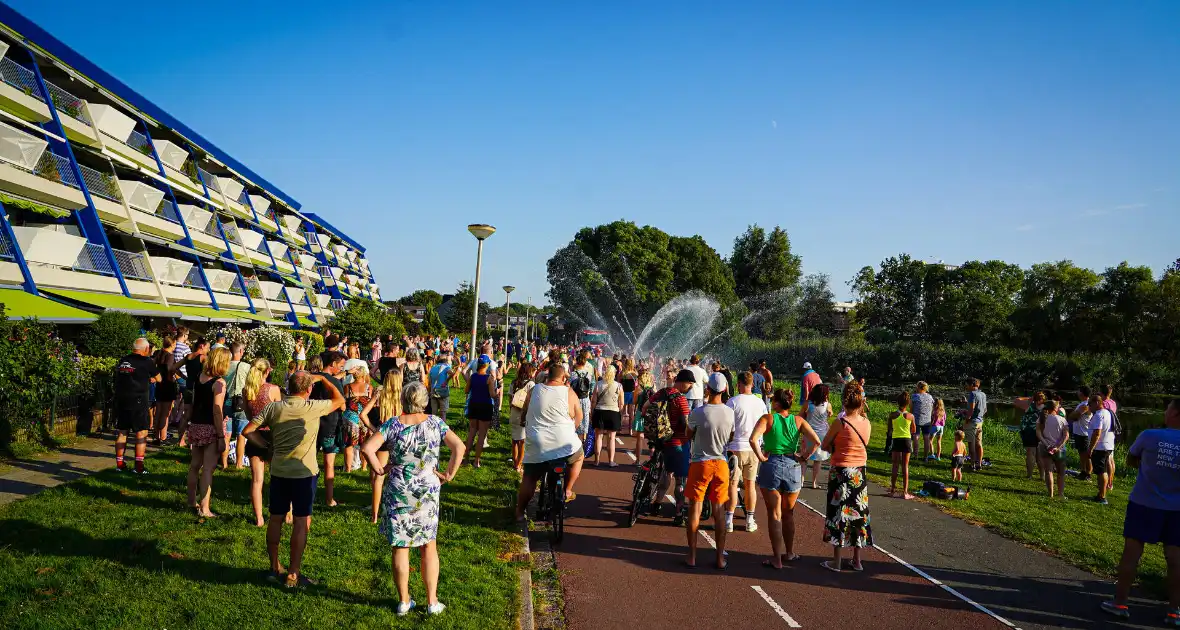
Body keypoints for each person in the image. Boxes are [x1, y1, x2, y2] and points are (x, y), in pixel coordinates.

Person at [360, 381, 465, 616]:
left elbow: (367, 448)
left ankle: (404, 601)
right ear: (425, 401)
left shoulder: (393, 424)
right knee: (429, 546)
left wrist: (379, 469)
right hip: (427, 489)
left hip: (398, 489)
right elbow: (459, 447)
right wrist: (448, 474)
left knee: (400, 546)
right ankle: (432, 602)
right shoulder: (436, 423)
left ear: (403, 401)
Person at [243, 370, 344, 588]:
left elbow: (248, 430)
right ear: (308, 389)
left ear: (288, 387)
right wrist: (326, 379)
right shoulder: (312, 407)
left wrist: (266, 446)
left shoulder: (274, 407)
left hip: (279, 471)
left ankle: (273, 567)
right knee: (301, 520)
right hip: (304, 473)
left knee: (276, 518)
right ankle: (293, 573)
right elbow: (340, 400)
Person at [1101, 398, 1180, 623]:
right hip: (1176, 509)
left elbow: (1131, 460)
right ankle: (1174, 611)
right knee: (1175, 559)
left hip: (1144, 504)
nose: (1165, 412)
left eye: (1168, 409)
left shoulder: (1150, 435)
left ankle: (1120, 603)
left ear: (1175, 413)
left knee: (1132, 554)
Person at [751, 388, 820, 569]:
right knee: (788, 513)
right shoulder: (798, 420)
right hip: (792, 465)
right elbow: (816, 441)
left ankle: (777, 559)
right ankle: (789, 553)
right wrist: (804, 456)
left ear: (776, 403)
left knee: (774, 513)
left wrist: (761, 457)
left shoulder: (768, 419)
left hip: (772, 465)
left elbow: (753, 439)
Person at [515, 363, 585, 521]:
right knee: (579, 457)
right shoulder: (569, 392)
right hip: (564, 443)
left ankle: (519, 512)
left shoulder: (534, 390)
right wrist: (570, 428)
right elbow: (578, 416)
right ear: (563, 377)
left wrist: (523, 421)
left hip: (538, 443)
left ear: (548, 376)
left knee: (530, 478)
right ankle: (567, 489)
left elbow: (525, 411)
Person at [683, 372, 736, 569]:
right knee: (719, 512)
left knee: (694, 510)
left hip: (700, 463)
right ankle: (720, 558)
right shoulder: (730, 413)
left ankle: (692, 556)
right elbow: (731, 437)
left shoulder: (698, 412)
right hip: (721, 464)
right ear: (724, 390)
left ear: (708, 390)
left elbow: (688, 434)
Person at [821, 382, 873, 572]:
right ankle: (857, 559)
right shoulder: (866, 423)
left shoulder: (840, 423)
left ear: (844, 402)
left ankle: (837, 561)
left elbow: (825, 444)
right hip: (859, 472)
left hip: (841, 470)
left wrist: (837, 446)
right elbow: (865, 442)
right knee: (859, 512)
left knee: (838, 513)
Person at [642, 369, 695, 525]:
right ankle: (678, 513)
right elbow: (686, 424)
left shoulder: (662, 392)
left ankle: (657, 503)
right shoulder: (682, 400)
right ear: (682, 381)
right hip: (678, 443)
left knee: (666, 472)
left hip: (662, 440)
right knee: (680, 480)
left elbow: (645, 408)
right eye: (690, 383)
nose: (691, 386)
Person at [187, 347, 230, 518]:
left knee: (194, 466)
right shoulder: (219, 383)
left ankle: (191, 500)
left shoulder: (200, 377)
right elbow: (217, 410)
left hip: (196, 424)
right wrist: (221, 435)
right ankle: (204, 508)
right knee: (208, 469)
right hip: (211, 427)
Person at [242, 357, 283, 527]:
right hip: (272, 435)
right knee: (280, 478)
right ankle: (284, 513)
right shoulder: (273, 389)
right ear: (267, 371)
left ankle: (258, 518)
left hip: (254, 435)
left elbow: (247, 415)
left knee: (257, 480)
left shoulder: (247, 390)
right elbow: (281, 414)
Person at [725, 371, 767, 532]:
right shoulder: (760, 403)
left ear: (740, 384)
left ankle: (729, 519)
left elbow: (727, 425)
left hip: (735, 447)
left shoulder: (733, 402)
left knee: (733, 484)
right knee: (750, 485)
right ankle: (749, 519)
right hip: (754, 448)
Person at [360, 368, 404, 523]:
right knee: (380, 477)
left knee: (375, 476)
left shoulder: (379, 395)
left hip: (379, 438)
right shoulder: (401, 398)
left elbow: (363, 414)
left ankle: (375, 511)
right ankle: (378, 510)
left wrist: (373, 429)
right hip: (394, 439)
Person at [113, 338, 161, 474]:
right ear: (146, 349)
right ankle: (139, 467)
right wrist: (150, 378)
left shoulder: (123, 360)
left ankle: (120, 464)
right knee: (141, 433)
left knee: (123, 432)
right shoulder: (147, 362)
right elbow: (159, 378)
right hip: (139, 400)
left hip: (122, 399)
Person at [313, 351, 347, 506]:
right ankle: (329, 498)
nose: (341, 368)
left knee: (309, 462)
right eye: (340, 365)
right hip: (330, 425)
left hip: (312, 423)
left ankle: (309, 494)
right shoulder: (334, 381)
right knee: (329, 463)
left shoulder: (312, 379)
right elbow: (342, 405)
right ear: (332, 364)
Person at [464, 355, 498, 468]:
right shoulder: (489, 378)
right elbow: (492, 395)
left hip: (473, 404)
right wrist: (497, 392)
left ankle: (466, 458)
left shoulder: (473, 376)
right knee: (482, 435)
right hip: (485, 406)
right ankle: (476, 461)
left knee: (471, 432)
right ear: (487, 365)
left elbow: (466, 390)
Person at [341, 358, 373, 472]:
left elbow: (344, 401)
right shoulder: (369, 388)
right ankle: (364, 468)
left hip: (350, 418)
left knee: (349, 444)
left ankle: (348, 469)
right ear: (364, 375)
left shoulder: (347, 387)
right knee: (364, 444)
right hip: (364, 419)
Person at [223, 342, 251, 470]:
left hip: (227, 401)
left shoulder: (224, 365)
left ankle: (224, 463)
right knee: (241, 435)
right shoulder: (246, 366)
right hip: (241, 403)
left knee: (226, 435)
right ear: (240, 351)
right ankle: (239, 464)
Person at [591, 364, 624, 467]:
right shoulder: (619, 386)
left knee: (598, 437)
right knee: (611, 438)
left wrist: (592, 413)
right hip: (613, 412)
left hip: (600, 411)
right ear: (614, 374)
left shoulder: (598, 384)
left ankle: (597, 461)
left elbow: (593, 401)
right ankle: (611, 461)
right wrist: (620, 415)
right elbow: (621, 403)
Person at [1087, 394, 1116, 505]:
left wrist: (1091, 448)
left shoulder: (1099, 415)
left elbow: (1097, 432)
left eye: (1090, 404)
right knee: (1101, 470)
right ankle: (1101, 493)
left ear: (1097, 403)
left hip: (1100, 447)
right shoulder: (1108, 412)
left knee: (1101, 471)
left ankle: (1102, 496)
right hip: (1107, 445)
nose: (1089, 407)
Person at [1036, 399, 1069, 499]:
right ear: (1055, 408)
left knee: (1048, 471)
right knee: (1061, 472)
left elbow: (1038, 433)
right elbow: (1066, 435)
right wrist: (1058, 447)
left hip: (1044, 447)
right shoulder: (1062, 419)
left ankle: (1050, 494)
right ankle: (1061, 494)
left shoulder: (1041, 418)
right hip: (1059, 449)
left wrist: (1046, 444)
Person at [887, 391, 916, 499]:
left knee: (895, 465)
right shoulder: (910, 416)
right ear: (908, 403)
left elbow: (889, 429)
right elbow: (914, 429)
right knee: (905, 466)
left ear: (897, 402)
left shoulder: (892, 415)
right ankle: (905, 492)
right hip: (907, 440)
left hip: (896, 439)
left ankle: (893, 490)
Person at [803, 383, 833, 488]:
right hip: (821, 434)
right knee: (818, 460)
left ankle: (801, 480)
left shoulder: (808, 404)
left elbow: (801, 414)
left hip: (808, 432)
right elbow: (830, 413)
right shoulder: (827, 405)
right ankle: (814, 482)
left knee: (805, 457)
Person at [509, 362, 537, 474]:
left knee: (514, 440)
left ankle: (515, 462)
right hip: (524, 414)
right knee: (522, 442)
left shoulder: (513, 382)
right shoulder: (531, 385)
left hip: (513, 413)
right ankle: (518, 465)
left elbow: (510, 397)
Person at [151, 336, 179, 446]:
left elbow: (154, 367)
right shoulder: (170, 356)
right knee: (165, 414)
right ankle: (163, 437)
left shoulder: (159, 354)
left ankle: (156, 436)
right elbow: (169, 369)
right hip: (167, 385)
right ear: (172, 344)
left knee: (158, 412)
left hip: (159, 385)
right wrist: (171, 377)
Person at [1015, 391, 1048, 480]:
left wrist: (1029, 398)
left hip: (1029, 431)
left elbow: (1016, 400)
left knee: (1030, 453)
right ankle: (1042, 476)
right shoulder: (1046, 409)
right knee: (1039, 455)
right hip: (1041, 432)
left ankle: (1029, 475)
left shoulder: (1028, 405)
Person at [1068, 386, 1094, 481]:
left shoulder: (1086, 405)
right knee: (1081, 453)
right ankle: (1083, 471)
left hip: (1084, 433)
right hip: (1079, 433)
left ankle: (1087, 473)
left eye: (1079, 391)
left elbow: (1074, 416)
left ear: (1082, 393)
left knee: (1085, 455)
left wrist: (1073, 414)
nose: (1077, 392)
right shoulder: (1082, 404)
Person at [569, 352, 596, 441]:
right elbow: (591, 386)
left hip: (575, 399)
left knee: (575, 417)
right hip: (585, 399)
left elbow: (569, 387)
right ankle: (584, 437)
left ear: (577, 362)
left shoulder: (573, 374)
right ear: (584, 363)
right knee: (585, 418)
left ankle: (575, 436)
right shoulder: (588, 374)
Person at [963, 378, 987, 471]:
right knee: (979, 444)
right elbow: (985, 410)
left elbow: (971, 409)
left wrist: (967, 419)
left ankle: (972, 464)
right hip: (980, 422)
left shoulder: (972, 394)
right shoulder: (983, 394)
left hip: (972, 422)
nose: (966, 387)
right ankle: (979, 464)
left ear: (972, 385)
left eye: (967, 385)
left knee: (971, 444)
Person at [911, 382, 935, 460]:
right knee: (926, 438)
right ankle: (925, 457)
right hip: (927, 420)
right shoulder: (930, 397)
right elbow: (932, 408)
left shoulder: (915, 396)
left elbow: (911, 408)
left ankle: (916, 456)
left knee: (916, 437)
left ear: (918, 387)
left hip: (916, 420)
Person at [429, 354, 453, 418]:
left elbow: (430, 381)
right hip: (443, 392)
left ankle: (433, 427)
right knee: (443, 413)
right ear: (445, 361)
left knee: (434, 414)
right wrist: (446, 381)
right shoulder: (446, 367)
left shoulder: (433, 368)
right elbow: (452, 373)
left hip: (433, 391)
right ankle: (442, 427)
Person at [620, 359, 638, 435]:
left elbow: (619, 383)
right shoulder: (635, 373)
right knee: (631, 412)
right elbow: (637, 384)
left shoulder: (623, 373)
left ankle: (619, 428)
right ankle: (630, 430)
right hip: (633, 393)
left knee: (622, 411)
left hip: (624, 393)